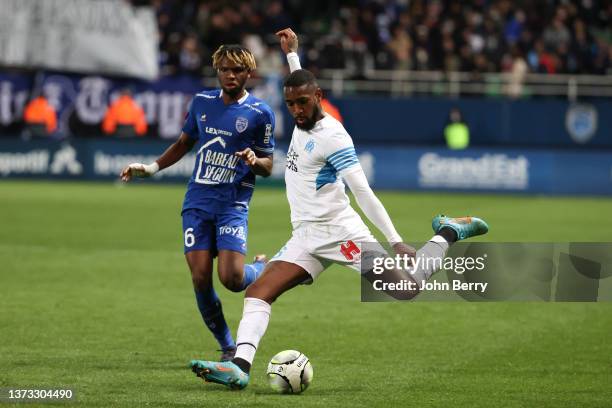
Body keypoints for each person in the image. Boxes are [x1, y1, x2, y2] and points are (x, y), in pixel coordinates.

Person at [189, 29, 488, 389]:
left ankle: (449, 231)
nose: (297, 111)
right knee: (258, 292)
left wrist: (394, 241)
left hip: (341, 233)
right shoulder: (303, 110)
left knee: (406, 290)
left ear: (319, 98)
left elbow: (363, 193)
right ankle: (239, 367)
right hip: (306, 236)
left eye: (303, 103)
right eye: (291, 104)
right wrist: (293, 55)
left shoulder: (333, 136)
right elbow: (299, 81)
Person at [120, 44, 276, 362]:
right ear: (216, 71)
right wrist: (150, 169)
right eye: (224, 69)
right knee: (200, 277)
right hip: (198, 201)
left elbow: (269, 166)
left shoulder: (261, 113)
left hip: (233, 204)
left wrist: (253, 159)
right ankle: (228, 346)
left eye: (236, 70)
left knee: (231, 280)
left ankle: (260, 267)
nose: (230, 75)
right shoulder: (202, 102)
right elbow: (183, 143)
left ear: (249, 73)